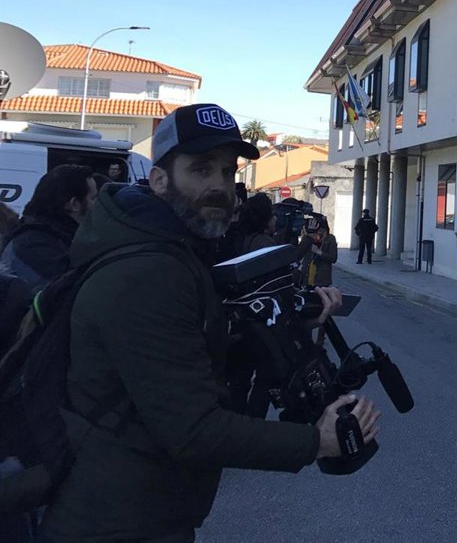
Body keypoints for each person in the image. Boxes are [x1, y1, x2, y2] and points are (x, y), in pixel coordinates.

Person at [36, 103, 381, 543]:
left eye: (227, 171)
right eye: (201, 169)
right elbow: (193, 429)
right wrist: (318, 441)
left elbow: (187, 354)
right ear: (159, 180)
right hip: (115, 520)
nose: (219, 185)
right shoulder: (147, 273)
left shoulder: (172, 249)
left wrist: (292, 322)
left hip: (144, 509)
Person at [0, 164, 97, 292]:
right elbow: (71, 293)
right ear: (74, 204)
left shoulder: (53, 238)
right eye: (93, 198)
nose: (98, 205)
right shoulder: (34, 245)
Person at [301, 215, 338, 287]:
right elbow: (301, 253)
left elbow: (333, 258)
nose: (317, 233)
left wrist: (319, 252)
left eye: (319, 230)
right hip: (307, 277)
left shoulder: (330, 239)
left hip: (321, 279)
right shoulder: (310, 237)